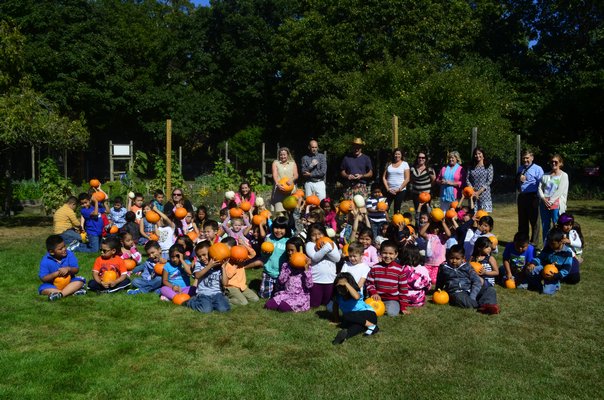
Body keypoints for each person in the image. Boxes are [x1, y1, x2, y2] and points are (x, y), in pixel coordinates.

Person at [435, 245, 499, 314]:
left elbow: (476, 281)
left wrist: (472, 296)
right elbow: (439, 281)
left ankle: (488, 305)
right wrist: (437, 291)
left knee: (490, 290)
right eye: (451, 258)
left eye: (457, 258)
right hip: (457, 292)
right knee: (459, 298)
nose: (454, 261)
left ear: (463, 259)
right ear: (448, 257)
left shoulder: (467, 266)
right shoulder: (444, 267)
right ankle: (481, 305)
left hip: (470, 289)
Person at [265, 237, 313, 312]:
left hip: (300, 296)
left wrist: (306, 270)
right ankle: (285, 303)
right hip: (287, 293)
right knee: (269, 305)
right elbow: (281, 280)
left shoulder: (306, 266)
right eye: (288, 251)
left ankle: (301, 307)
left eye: (292, 250)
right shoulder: (286, 265)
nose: (290, 253)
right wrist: (288, 267)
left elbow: (309, 285)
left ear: (299, 250)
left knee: (283, 307)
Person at [526, 228, 580, 295]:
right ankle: (536, 285)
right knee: (533, 270)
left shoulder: (567, 252)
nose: (551, 245)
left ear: (560, 242)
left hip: (554, 274)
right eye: (549, 243)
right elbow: (540, 257)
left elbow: (566, 269)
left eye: (553, 244)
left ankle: (556, 284)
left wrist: (556, 275)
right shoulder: (548, 248)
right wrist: (533, 263)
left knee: (546, 292)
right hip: (544, 268)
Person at [332, 272, 379, 345]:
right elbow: (335, 307)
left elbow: (356, 297)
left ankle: (371, 325)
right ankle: (344, 337)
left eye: (343, 286)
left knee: (347, 316)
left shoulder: (356, 293)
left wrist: (346, 284)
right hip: (358, 320)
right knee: (356, 327)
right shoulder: (338, 297)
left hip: (369, 315)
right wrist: (336, 320)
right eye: (339, 286)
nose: (341, 288)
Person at [365, 240, 410, 317]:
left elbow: (403, 290)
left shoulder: (400, 270)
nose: (387, 256)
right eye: (385, 253)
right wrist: (374, 293)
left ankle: (389, 307)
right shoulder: (375, 268)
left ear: (396, 255)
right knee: (366, 310)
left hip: (392, 299)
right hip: (376, 298)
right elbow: (369, 283)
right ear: (380, 253)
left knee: (392, 313)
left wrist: (403, 307)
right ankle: (381, 307)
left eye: (391, 253)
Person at [186, 241, 231, 313]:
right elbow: (197, 275)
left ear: (211, 253)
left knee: (223, 309)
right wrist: (209, 266)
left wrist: (223, 267)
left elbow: (225, 283)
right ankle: (191, 302)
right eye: (199, 256)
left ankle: (214, 303)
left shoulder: (219, 266)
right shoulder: (199, 264)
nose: (202, 258)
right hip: (204, 294)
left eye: (204, 255)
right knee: (206, 310)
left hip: (217, 293)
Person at [38, 235, 86, 301]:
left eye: (64, 246)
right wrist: (56, 274)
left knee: (79, 281)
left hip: (69, 282)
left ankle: (60, 294)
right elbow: (43, 278)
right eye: (60, 249)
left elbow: (76, 269)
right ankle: (70, 292)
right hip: (53, 285)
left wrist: (68, 269)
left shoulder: (70, 254)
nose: (64, 249)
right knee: (43, 289)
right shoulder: (45, 260)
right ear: (51, 252)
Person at [305, 223, 341, 308]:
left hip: (330, 280)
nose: (317, 237)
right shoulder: (310, 245)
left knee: (327, 303)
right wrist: (326, 248)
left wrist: (327, 247)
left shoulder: (331, 244)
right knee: (314, 304)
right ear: (310, 236)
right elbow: (315, 258)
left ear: (324, 234)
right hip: (316, 280)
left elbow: (337, 259)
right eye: (313, 235)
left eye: (320, 234)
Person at [538, 154, 569, 243]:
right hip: (544, 203)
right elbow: (540, 188)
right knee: (545, 225)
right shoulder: (545, 175)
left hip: (557, 204)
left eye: (556, 161)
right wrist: (544, 199)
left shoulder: (564, 175)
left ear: (560, 163)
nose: (554, 163)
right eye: (552, 161)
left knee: (557, 224)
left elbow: (560, 190)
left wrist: (550, 201)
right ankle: (546, 245)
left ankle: (558, 244)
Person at [516, 150, 544, 245]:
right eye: (524, 158)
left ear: (532, 158)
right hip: (522, 196)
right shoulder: (520, 168)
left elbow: (542, 184)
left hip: (533, 196)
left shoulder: (538, 169)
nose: (525, 160)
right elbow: (516, 182)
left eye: (527, 158)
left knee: (534, 221)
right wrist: (518, 178)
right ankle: (523, 241)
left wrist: (538, 197)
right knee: (522, 221)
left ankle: (534, 242)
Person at [259, 216, 290, 298]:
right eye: (276, 227)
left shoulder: (288, 241)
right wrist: (264, 253)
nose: (278, 230)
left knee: (280, 296)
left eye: (282, 228)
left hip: (282, 274)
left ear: (286, 229)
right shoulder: (269, 239)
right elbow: (262, 255)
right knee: (265, 296)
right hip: (268, 272)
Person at [222, 237, 260, 306]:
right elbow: (228, 275)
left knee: (255, 299)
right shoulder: (225, 261)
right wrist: (236, 265)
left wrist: (243, 244)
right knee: (244, 303)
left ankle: (239, 296)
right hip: (231, 287)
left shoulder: (240, 255)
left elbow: (253, 254)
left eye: (227, 248)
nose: (225, 250)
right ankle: (225, 299)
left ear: (234, 248)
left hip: (242, 286)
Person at [419, 218, 452, 285]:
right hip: (428, 263)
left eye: (437, 228)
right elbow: (421, 233)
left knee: (434, 280)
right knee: (424, 279)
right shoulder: (429, 236)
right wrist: (428, 222)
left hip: (438, 264)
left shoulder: (442, 237)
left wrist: (443, 223)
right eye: (433, 228)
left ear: (440, 228)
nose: (435, 229)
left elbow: (449, 234)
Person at [409, 151, 436, 225]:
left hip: (426, 195)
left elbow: (433, 179)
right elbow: (411, 179)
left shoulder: (429, 169)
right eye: (419, 157)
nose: (421, 159)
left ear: (425, 159)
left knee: (426, 212)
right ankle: (418, 226)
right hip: (416, 194)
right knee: (418, 211)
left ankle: (427, 227)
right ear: (417, 158)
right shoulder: (412, 168)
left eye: (423, 157)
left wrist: (428, 187)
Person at [382, 148, 410, 213]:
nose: (397, 156)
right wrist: (388, 189)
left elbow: (407, 178)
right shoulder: (389, 164)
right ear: (393, 155)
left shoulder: (405, 164)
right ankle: (385, 222)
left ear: (401, 155)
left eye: (399, 154)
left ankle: (395, 222)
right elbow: (384, 177)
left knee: (397, 209)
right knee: (384, 207)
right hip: (389, 190)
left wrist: (399, 189)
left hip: (400, 190)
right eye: (395, 154)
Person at [466, 147, 494, 212]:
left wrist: (479, 192)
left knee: (483, 217)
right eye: (476, 154)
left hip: (484, 194)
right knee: (473, 215)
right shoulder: (471, 166)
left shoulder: (488, 166)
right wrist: (472, 191)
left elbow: (489, 180)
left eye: (479, 153)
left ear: (483, 154)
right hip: (472, 194)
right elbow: (467, 179)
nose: (477, 155)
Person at [271, 147, 299, 211]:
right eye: (281, 155)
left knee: (291, 210)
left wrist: (292, 179)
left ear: (288, 155)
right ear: (279, 155)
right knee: (279, 211)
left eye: (284, 154)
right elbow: (274, 174)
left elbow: (296, 175)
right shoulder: (276, 163)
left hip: (290, 189)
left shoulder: (292, 163)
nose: (283, 156)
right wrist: (277, 184)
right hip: (279, 188)